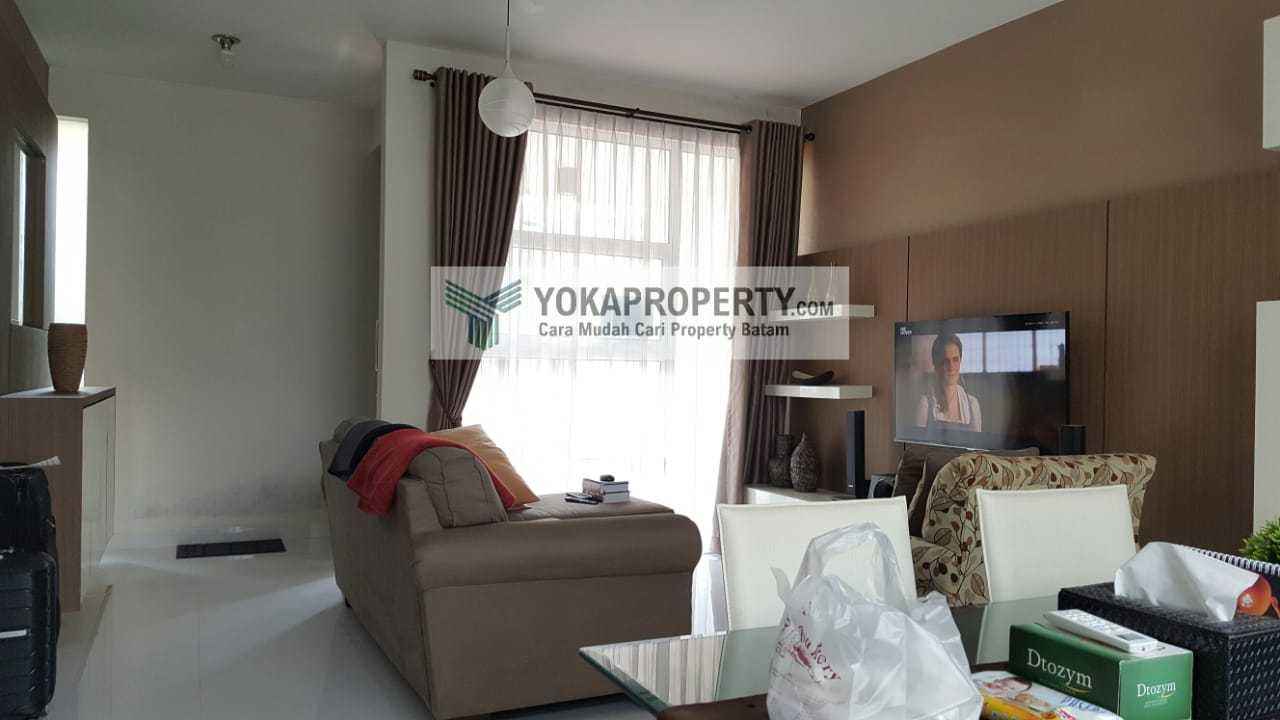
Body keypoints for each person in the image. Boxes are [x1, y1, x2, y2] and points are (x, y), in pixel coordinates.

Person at [915, 333, 982, 432]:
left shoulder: (972, 405)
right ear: (936, 365)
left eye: (955, 360)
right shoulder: (926, 405)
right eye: (945, 361)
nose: (951, 367)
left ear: (960, 361)